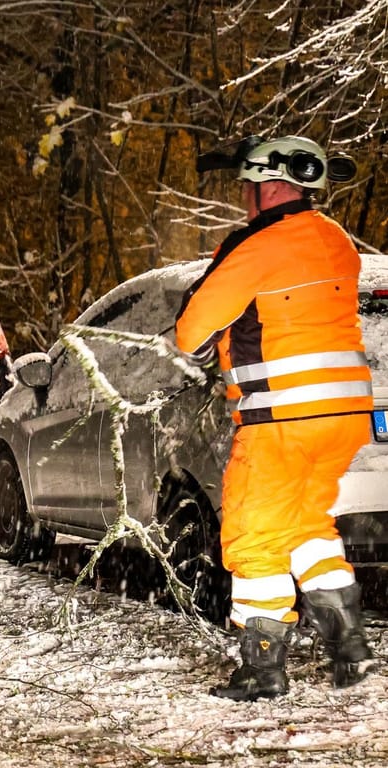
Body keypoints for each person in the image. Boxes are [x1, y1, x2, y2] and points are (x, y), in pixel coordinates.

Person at [176, 135, 376, 701]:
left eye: (246, 188)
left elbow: (191, 331)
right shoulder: (336, 241)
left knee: (254, 533)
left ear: (267, 186)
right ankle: (349, 648)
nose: (244, 198)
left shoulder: (257, 246)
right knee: (306, 528)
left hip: (281, 421)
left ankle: (262, 668)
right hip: (343, 417)